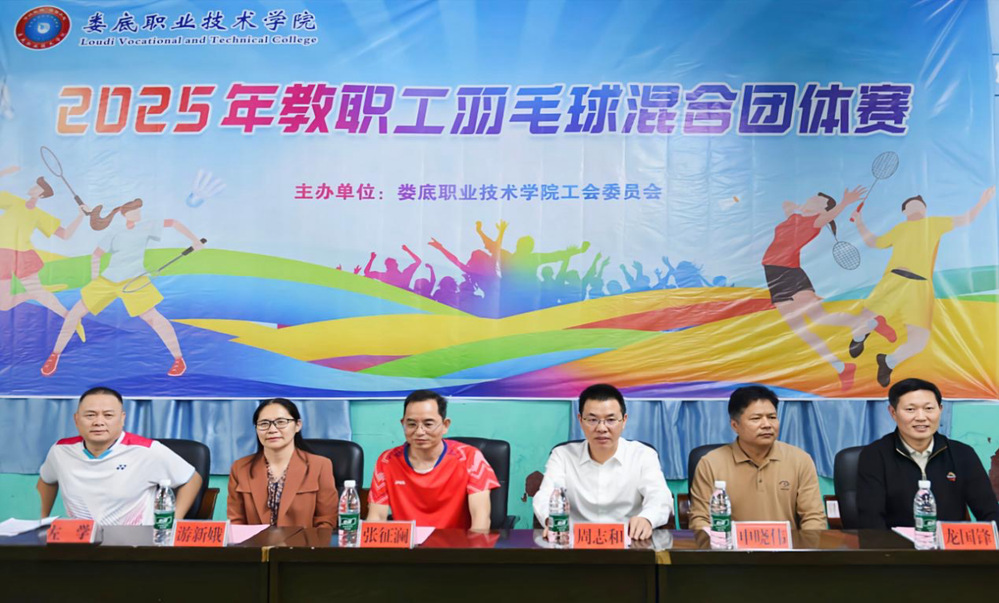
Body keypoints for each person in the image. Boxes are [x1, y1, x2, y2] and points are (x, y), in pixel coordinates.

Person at [40, 197, 205, 377]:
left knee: (153, 318)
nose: (138, 213)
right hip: (108, 280)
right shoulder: (115, 232)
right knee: (74, 314)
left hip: (134, 279)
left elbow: (173, 223)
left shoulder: (147, 226)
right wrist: (94, 279)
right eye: (134, 210)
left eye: (139, 210)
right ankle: (54, 355)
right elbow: (96, 255)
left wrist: (195, 240)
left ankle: (178, 359)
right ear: (125, 214)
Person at [850, 187, 994, 387]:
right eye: (911, 205)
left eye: (920, 205)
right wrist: (859, 221)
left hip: (920, 288)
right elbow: (874, 241)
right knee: (862, 322)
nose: (917, 207)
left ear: (925, 210)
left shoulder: (934, 224)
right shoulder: (900, 229)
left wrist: (983, 201)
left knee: (919, 341)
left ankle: (887, 361)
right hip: (894, 281)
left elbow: (965, 219)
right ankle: (860, 336)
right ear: (904, 212)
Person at [37, 386, 203, 525]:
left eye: (108, 415)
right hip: (82, 541)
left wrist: (173, 521)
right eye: (90, 415)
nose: (98, 422)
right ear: (76, 419)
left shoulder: (147, 450)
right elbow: (46, 481)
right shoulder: (61, 451)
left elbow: (192, 479)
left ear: (122, 419)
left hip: (134, 543)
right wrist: (43, 519)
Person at [761, 186, 872, 390]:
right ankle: (841, 367)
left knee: (818, 318)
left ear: (822, 210)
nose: (811, 199)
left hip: (790, 273)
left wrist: (845, 202)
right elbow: (786, 204)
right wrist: (801, 206)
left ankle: (862, 322)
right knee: (800, 329)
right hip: (773, 274)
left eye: (818, 201)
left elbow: (831, 214)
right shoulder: (795, 217)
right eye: (812, 197)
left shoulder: (815, 222)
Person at [533, 384, 673, 540]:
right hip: (574, 543)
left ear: (624, 421)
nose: (601, 428)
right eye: (592, 420)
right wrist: (551, 521)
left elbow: (660, 496)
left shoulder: (643, 455)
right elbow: (545, 496)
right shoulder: (562, 455)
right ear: (580, 420)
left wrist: (647, 519)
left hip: (629, 542)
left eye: (610, 420)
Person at [857, 378, 999, 528]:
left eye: (929, 408)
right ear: (893, 412)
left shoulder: (962, 454)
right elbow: (871, 520)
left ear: (940, 410)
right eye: (910, 409)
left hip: (949, 542)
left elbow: (990, 512)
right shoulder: (874, 456)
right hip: (894, 542)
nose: (921, 417)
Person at [689, 385, 826, 530]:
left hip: (787, 544)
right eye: (756, 418)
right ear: (735, 425)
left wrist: (806, 543)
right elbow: (700, 519)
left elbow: (813, 517)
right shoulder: (711, 463)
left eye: (772, 417)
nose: (767, 425)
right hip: (731, 544)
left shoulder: (800, 460)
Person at [367, 390, 499, 530]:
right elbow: (377, 518)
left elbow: (481, 521)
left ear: (445, 425)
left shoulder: (470, 458)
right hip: (407, 543)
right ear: (403, 423)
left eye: (428, 424)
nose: (419, 432)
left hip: (456, 542)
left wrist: (474, 544)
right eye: (411, 424)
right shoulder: (387, 461)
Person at [1, 167, 88, 343]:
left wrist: (80, 216)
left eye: (38, 186)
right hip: (2, 254)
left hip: (23, 255)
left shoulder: (40, 215)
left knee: (38, 293)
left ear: (41, 194)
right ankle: (33, 294)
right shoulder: (14, 202)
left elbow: (65, 235)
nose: (33, 187)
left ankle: (70, 318)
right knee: (4, 304)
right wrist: (4, 172)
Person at [227, 398, 338, 528]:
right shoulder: (240, 468)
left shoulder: (320, 466)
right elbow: (236, 523)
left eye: (281, 422)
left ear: (298, 425)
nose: (272, 429)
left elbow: (326, 521)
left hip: (304, 541)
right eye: (264, 423)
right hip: (255, 541)